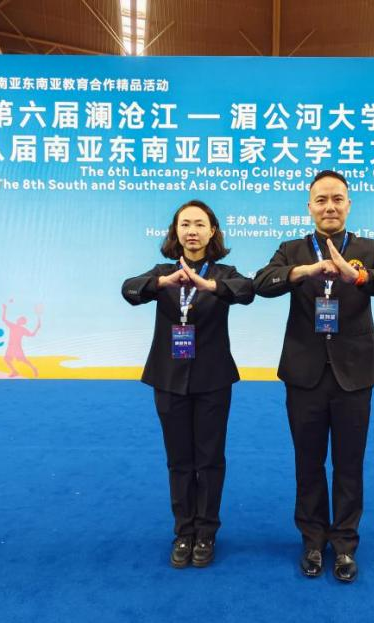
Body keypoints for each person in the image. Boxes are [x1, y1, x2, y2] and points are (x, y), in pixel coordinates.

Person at [253, 170, 374, 583]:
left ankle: (343, 545)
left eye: (337, 199)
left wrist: (356, 275)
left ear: (349, 205)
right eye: (321, 200)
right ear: (309, 206)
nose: (329, 206)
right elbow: (261, 284)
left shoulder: (368, 248)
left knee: (348, 464)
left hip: (354, 375)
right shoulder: (292, 249)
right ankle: (312, 540)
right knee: (307, 463)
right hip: (303, 374)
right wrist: (303, 272)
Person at [122, 199, 254, 569]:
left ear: (212, 232)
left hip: (213, 380)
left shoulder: (224, 273)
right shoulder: (162, 273)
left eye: (199, 224)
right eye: (185, 224)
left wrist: (209, 285)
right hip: (168, 379)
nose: (192, 231)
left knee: (209, 459)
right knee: (179, 460)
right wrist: (162, 283)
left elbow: (246, 291)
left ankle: (206, 531)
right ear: (175, 232)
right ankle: (184, 531)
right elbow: (129, 290)